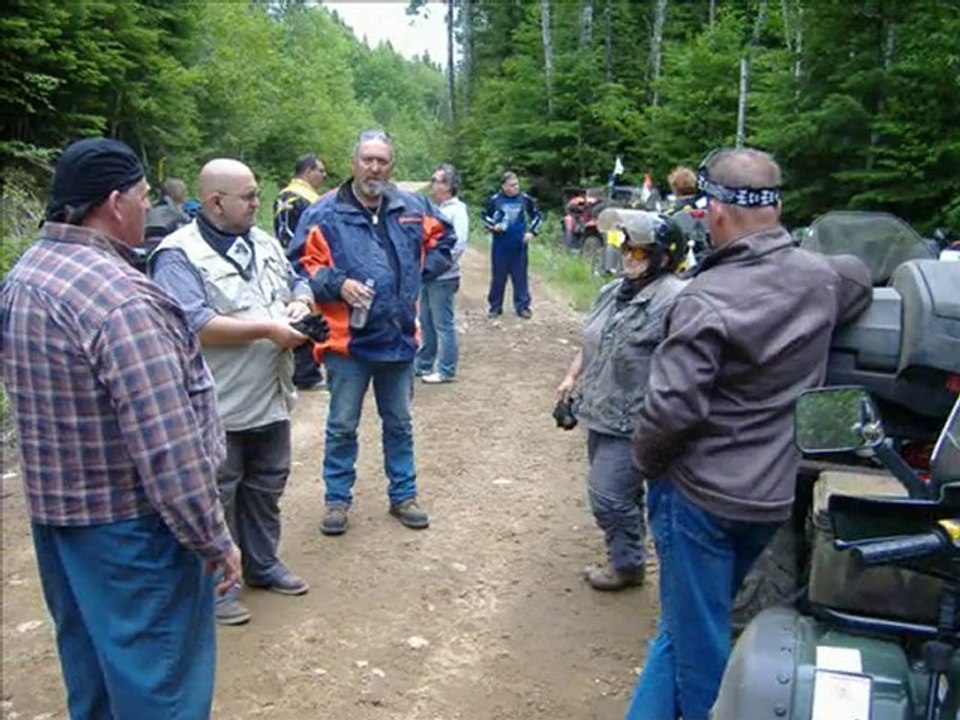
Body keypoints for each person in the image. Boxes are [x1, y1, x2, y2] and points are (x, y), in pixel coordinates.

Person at [624, 148, 872, 720]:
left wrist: (645, 465)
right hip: (767, 500)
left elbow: (671, 413)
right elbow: (858, 275)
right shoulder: (820, 279)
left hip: (698, 501)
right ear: (778, 205)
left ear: (713, 212)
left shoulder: (705, 299)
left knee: (701, 655)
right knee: (685, 629)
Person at [1, 137, 240, 718]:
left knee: (97, 682)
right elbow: (169, 448)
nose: (148, 206)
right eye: (142, 195)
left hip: (60, 528)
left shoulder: (25, 276)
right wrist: (213, 539)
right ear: (113, 202)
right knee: (162, 691)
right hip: (133, 535)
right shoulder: (122, 300)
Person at [150, 158, 313, 626]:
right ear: (216, 201)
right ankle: (216, 588)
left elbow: (296, 277)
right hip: (214, 406)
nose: (259, 203)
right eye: (250, 196)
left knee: (267, 486)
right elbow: (192, 324)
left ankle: (262, 565)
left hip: (270, 396)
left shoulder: (262, 241)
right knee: (214, 496)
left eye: (257, 194)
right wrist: (268, 329)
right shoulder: (177, 254)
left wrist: (300, 302)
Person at [288, 129, 455, 536]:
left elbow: (445, 240)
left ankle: (404, 495)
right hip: (347, 342)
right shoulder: (324, 213)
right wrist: (338, 284)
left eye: (382, 161)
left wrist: (417, 276)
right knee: (342, 425)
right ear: (354, 163)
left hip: (398, 339)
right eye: (368, 159)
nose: (374, 168)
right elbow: (301, 265)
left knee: (399, 422)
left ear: (391, 166)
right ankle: (336, 501)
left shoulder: (413, 206)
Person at [556, 210, 686, 591]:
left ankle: (629, 564)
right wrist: (570, 377)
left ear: (663, 257)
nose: (629, 256)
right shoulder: (612, 291)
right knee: (620, 492)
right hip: (600, 408)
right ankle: (626, 555)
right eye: (625, 247)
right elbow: (594, 340)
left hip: (638, 419)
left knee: (608, 495)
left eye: (641, 252)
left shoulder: (676, 300)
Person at [275, 153, 329, 391]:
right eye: (321, 170)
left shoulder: (282, 195)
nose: (324, 175)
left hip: (285, 259)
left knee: (293, 310)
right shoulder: (308, 198)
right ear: (308, 171)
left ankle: (301, 368)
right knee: (307, 312)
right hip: (306, 260)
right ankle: (307, 371)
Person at [416, 163, 469, 384]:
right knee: (425, 320)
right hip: (427, 275)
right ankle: (424, 364)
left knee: (443, 324)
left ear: (447, 186)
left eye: (436, 180)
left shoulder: (457, 211)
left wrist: (438, 265)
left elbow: (459, 244)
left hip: (443, 277)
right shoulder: (433, 208)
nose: (432, 184)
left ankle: (446, 369)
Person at [482, 171, 543, 319]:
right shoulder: (495, 200)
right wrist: (493, 226)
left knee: (520, 276)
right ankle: (495, 307)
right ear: (504, 186)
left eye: (517, 184)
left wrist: (532, 233)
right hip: (500, 245)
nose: (516, 187)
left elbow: (538, 216)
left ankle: (522, 307)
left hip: (519, 245)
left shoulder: (525, 199)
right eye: (512, 185)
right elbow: (484, 216)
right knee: (498, 277)